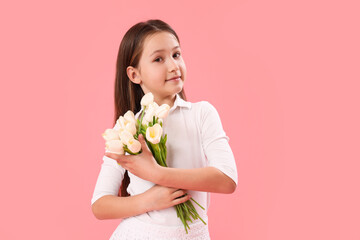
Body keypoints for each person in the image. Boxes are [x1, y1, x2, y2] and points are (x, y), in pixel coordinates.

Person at [91, 19, 238, 240]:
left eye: (176, 55)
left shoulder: (201, 114)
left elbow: (227, 179)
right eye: (158, 59)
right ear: (134, 75)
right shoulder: (128, 128)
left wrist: (158, 174)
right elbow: (100, 205)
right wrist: (148, 200)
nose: (173, 66)